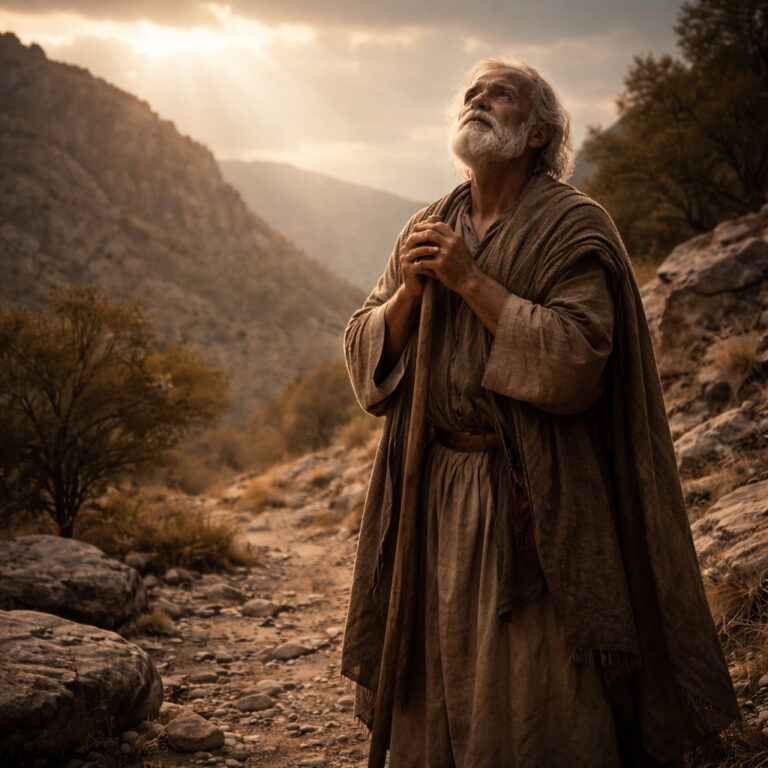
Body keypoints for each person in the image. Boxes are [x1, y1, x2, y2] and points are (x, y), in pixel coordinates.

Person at [340, 57, 741, 768]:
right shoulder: (431, 221)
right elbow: (364, 348)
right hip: (428, 494)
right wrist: (409, 291)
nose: (478, 99)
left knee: (536, 680)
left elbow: (579, 357)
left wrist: (468, 280)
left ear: (538, 132)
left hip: (531, 497)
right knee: (438, 664)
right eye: (471, 90)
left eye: (501, 93)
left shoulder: (572, 226)